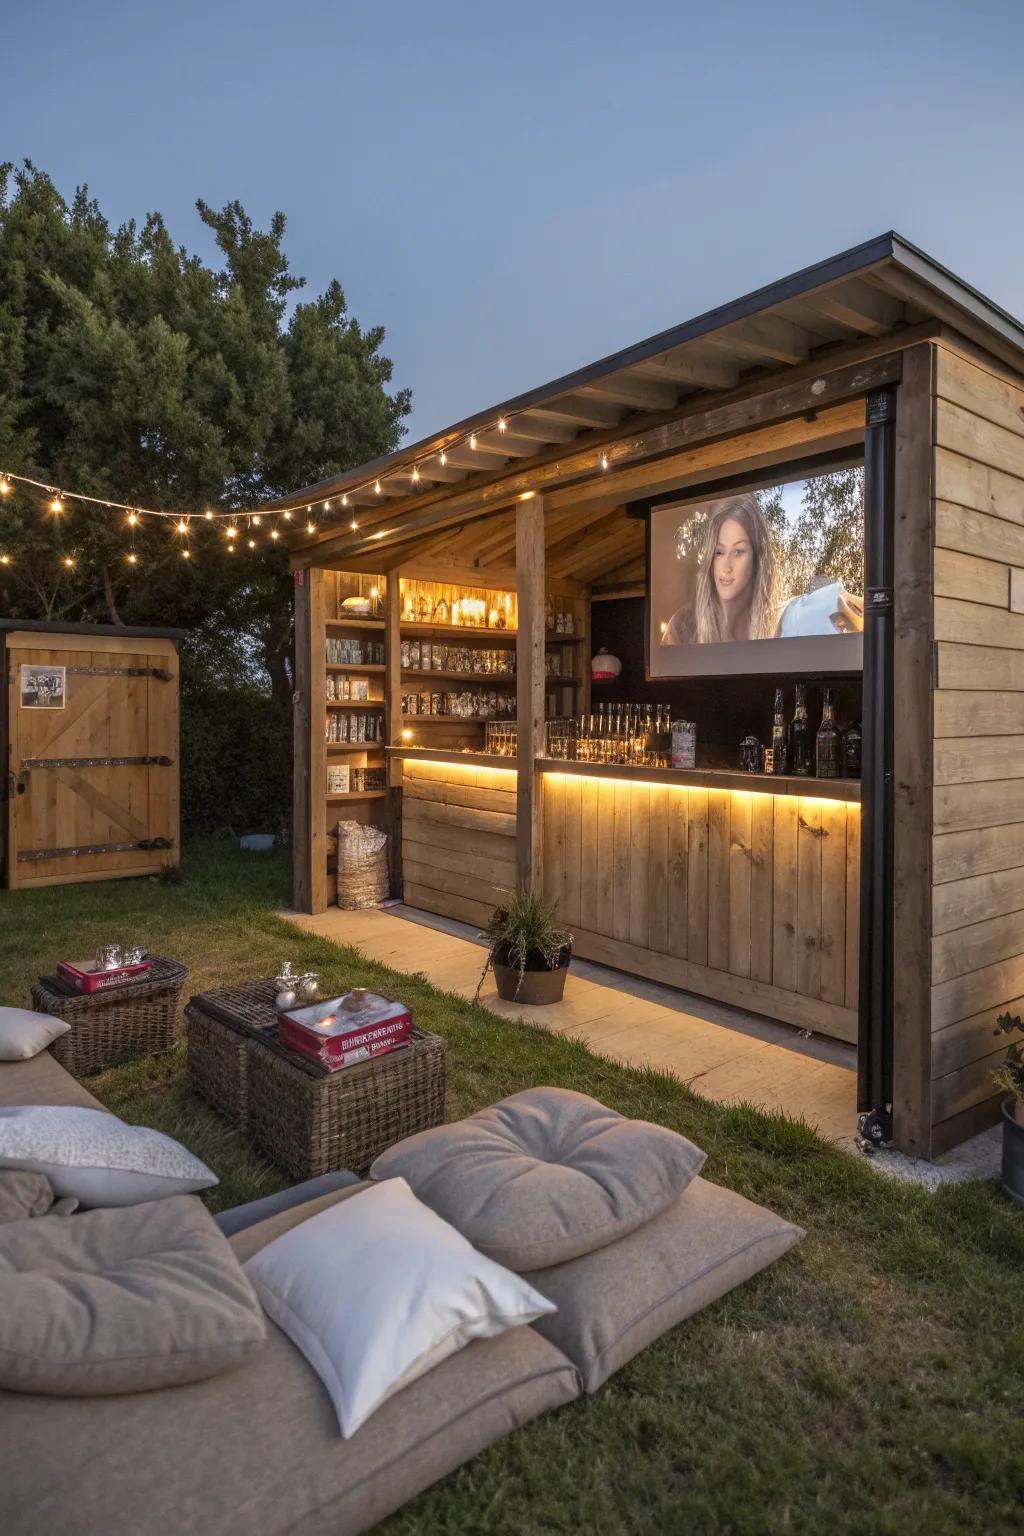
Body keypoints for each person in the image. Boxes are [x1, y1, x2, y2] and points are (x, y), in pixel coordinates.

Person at [661, 494, 779, 644]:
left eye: (738, 552)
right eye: (719, 552)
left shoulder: (777, 626)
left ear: (757, 557)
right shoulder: (682, 626)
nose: (726, 567)